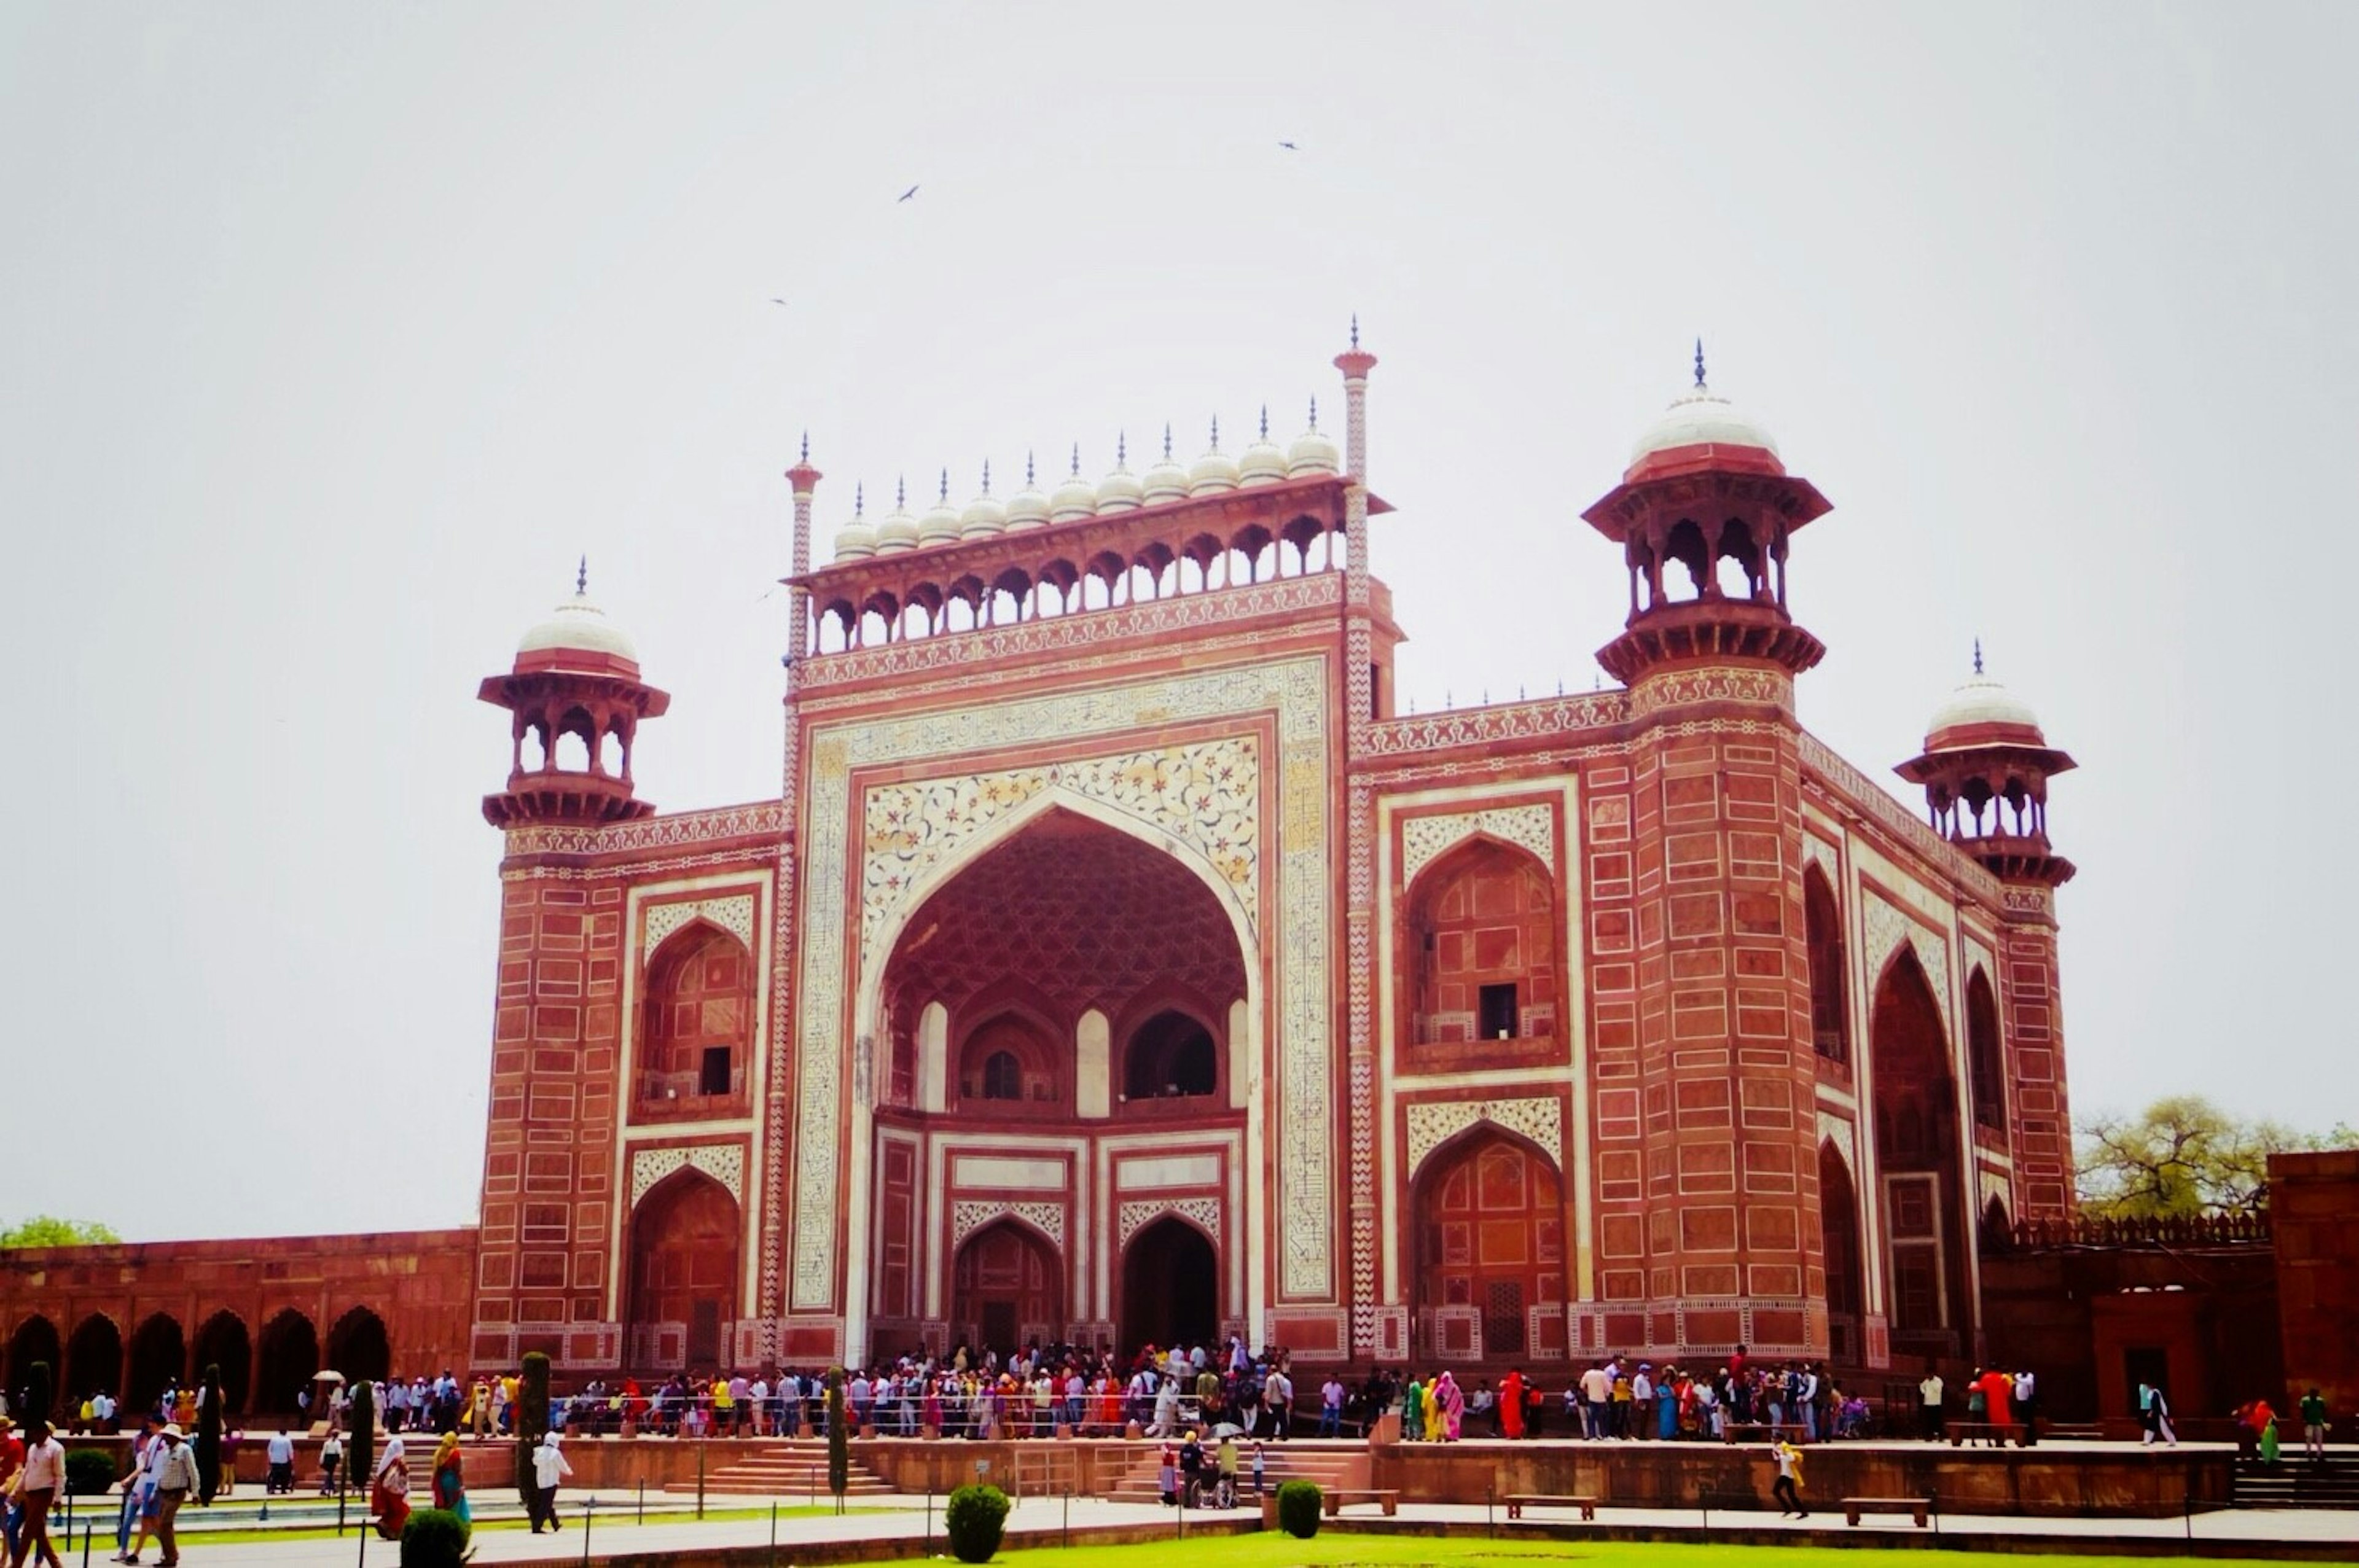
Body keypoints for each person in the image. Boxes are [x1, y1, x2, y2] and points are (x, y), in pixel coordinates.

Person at [9, 1418, 65, 1568]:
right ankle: (56, 1565)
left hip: (44, 1492)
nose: (36, 1435)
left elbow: (60, 1475)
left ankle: (17, 1565)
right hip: (30, 1493)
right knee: (40, 1534)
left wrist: (58, 1498)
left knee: (27, 1532)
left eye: (39, 1432)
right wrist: (17, 1491)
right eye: (34, 1432)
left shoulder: (55, 1449)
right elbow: (27, 1472)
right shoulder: (33, 1448)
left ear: (47, 1433)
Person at [148, 1424, 198, 1568]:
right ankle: (169, 1555)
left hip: (177, 1493)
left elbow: (193, 1472)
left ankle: (171, 1557)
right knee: (163, 1526)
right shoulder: (166, 1452)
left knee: (165, 1524)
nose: (164, 1438)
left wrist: (195, 1493)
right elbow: (161, 1474)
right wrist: (154, 1493)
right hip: (164, 1492)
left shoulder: (185, 1451)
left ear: (174, 1437)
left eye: (167, 1436)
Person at [370, 1433, 410, 1542]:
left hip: (386, 1490)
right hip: (396, 1491)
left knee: (391, 1512)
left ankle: (386, 1526)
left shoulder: (385, 1461)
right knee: (402, 1512)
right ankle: (391, 1529)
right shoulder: (398, 1460)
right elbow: (405, 1471)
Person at [529, 1430, 571, 1532]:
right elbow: (562, 1465)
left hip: (541, 1481)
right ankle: (537, 1526)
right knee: (546, 1504)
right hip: (551, 1482)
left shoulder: (539, 1451)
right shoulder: (555, 1453)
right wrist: (569, 1472)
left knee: (547, 1503)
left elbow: (535, 1462)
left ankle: (555, 1524)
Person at [431, 1433, 469, 1527]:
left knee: (446, 1503)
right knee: (457, 1504)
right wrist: (462, 1485)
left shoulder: (439, 1453)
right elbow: (458, 1471)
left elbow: (436, 1471)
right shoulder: (455, 1453)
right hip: (453, 1481)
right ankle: (457, 1525)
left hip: (442, 1481)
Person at [1769, 1435, 1808, 1519]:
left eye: (1775, 1439)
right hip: (1785, 1473)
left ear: (1780, 1439)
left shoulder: (1785, 1446)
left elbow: (1791, 1458)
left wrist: (1780, 1456)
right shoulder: (1780, 1447)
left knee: (1779, 1492)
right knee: (1788, 1494)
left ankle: (1797, 1510)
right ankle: (1793, 1509)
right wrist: (1775, 1454)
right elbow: (1777, 1459)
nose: (1773, 1440)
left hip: (1788, 1474)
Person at [2138, 1381, 2177, 1446]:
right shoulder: (2152, 1393)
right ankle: (2147, 1441)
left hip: (2160, 1413)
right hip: (2156, 1412)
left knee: (2165, 1428)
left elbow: (2156, 1404)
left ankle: (2172, 1442)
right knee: (2150, 1427)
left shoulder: (2156, 1393)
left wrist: (2152, 1412)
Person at [2299, 1387, 2330, 1464]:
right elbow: (2302, 1410)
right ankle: (2308, 1451)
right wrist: (2304, 1419)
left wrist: (2324, 1421)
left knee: (2319, 1438)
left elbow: (2324, 1411)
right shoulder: (2305, 1400)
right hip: (2309, 1422)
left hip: (2318, 1422)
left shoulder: (2320, 1401)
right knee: (2309, 1437)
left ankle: (2319, 1452)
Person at [1917, 1367, 1945, 1441]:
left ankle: (1941, 1436)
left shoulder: (1938, 1381)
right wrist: (1924, 1391)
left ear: (1933, 1374)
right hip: (1928, 1403)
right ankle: (1929, 1436)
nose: (1928, 1376)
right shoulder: (1926, 1381)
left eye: (1930, 1374)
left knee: (1938, 1421)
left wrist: (1931, 1383)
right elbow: (1921, 1387)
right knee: (1928, 1422)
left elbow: (1938, 1389)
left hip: (1936, 1403)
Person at [265, 1430, 295, 1495]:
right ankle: (283, 1489)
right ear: (286, 1433)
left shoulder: (273, 1439)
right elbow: (290, 1451)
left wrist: (270, 1458)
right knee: (285, 1476)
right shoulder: (287, 1440)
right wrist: (292, 1460)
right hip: (284, 1461)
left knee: (274, 1475)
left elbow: (269, 1449)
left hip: (274, 1461)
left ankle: (272, 1489)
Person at [318, 1429, 343, 1496]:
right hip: (333, 1458)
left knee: (330, 1474)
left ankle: (333, 1488)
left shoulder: (327, 1442)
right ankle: (325, 1489)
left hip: (327, 1458)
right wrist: (341, 1458)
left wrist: (321, 1460)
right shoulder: (338, 1443)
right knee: (330, 1474)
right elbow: (339, 1452)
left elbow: (323, 1452)